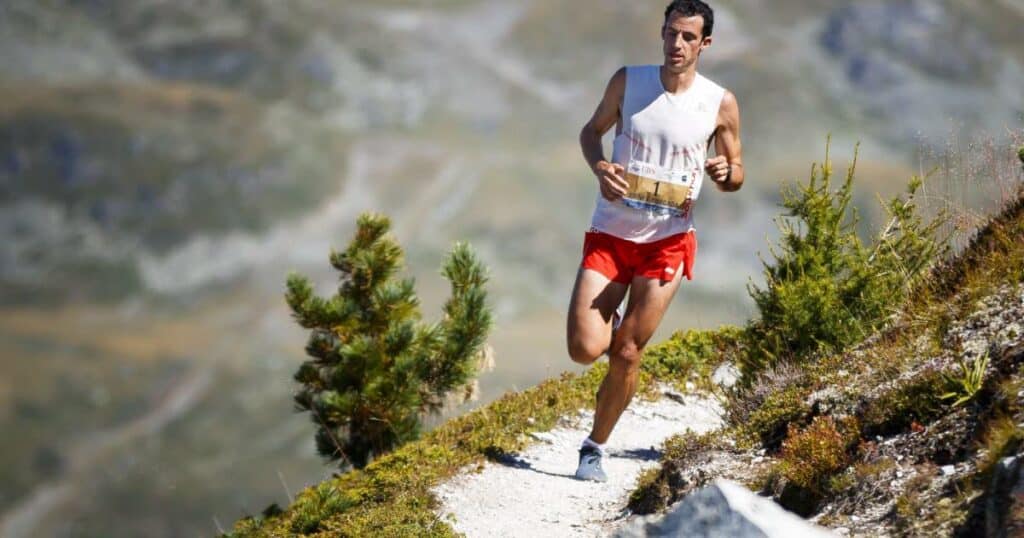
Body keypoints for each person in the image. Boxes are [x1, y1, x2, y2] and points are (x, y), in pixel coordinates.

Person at [567, 0, 744, 482]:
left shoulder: (719, 102)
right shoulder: (629, 82)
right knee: (585, 349)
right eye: (671, 34)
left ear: (705, 43)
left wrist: (727, 173)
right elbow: (590, 132)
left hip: (666, 242)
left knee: (626, 352)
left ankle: (593, 449)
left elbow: (736, 171)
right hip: (611, 234)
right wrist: (600, 165)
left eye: (688, 37)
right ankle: (613, 323)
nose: (677, 45)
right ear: (661, 33)